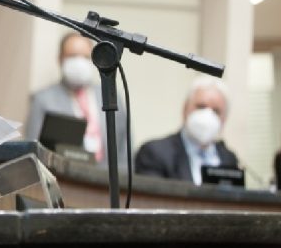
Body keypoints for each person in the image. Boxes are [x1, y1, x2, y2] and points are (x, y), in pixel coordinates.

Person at [24, 32, 128, 165]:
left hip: (106, 181)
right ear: (60, 59)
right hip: (65, 179)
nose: (79, 62)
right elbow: (33, 151)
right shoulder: (43, 100)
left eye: (85, 57)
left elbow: (124, 148)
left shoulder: (110, 95)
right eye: (72, 56)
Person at [135, 76, 239, 184]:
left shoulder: (229, 159)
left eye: (216, 111)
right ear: (185, 109)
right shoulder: (155, 153)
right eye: (201, 107)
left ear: (224, 119)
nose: (208, 116)